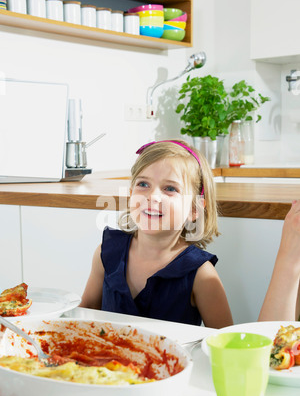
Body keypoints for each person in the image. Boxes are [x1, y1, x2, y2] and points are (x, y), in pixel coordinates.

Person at [80, 139, 300, 327]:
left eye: (170, 188)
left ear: (194, 209)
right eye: (143, 184)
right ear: (130, 194)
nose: (153, 196)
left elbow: (222, 342)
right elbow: (87, 309)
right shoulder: (106, 253)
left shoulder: (201, 275)